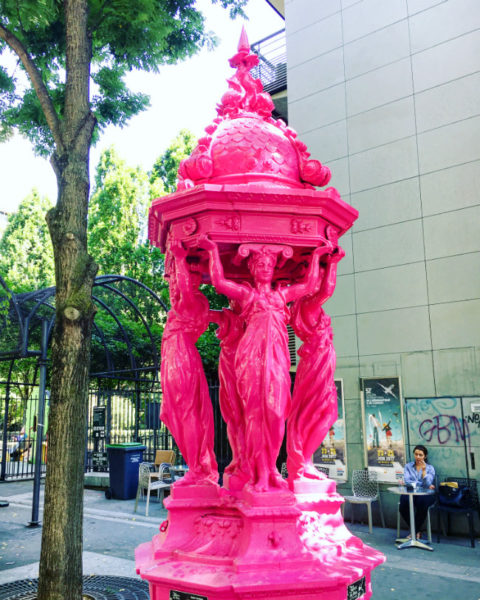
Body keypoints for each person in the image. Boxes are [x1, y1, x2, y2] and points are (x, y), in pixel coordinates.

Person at [202, 236, 330, 492]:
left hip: (277, 359)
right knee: (255, 413)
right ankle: (257, 473)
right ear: (253, 269)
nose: (263, 268)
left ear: (272, 269)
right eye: (259, 264)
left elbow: (310, 284)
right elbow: (219, 282)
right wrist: (213, 250)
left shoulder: (281, 296)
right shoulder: (247, 295)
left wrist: (320, 257)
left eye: (268, 265)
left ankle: (270, 469)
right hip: (251, 359)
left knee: (275, 413)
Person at [160, 240, 218, 486]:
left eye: (179, 279)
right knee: (179, 414)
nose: (174, 284)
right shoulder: (190, 301)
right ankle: (196, 465)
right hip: (177, 356)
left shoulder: (193, 301)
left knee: (186, 414)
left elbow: (184, 287)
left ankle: (197, 467)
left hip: (181, 357)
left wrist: (181, 257)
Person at [399, 444, 436, 539]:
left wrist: (424, 471)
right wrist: (422, 484)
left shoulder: (430, 468)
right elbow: (407, 481)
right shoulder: (408, 466)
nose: (418, 457)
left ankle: (414, 532)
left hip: (425, 494)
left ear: (425, 456)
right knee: (403, 505)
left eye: (420, 455)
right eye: (416, 454)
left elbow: (428, 483)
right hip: (411, 492)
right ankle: (417, 531)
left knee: (422, 504)